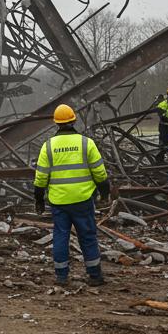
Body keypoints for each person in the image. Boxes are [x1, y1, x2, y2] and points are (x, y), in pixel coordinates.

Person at [33, 103, 110, 286]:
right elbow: (100, 173)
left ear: (56, 123)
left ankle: (61, 276)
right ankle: (94, 276)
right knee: (88, 236)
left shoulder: (48, 146)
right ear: (74, 120)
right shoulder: (86, 143)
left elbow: (40, 178)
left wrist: (39, 200)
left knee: (61, 236)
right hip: (83, 200)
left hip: (59, 201)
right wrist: (104, 194)